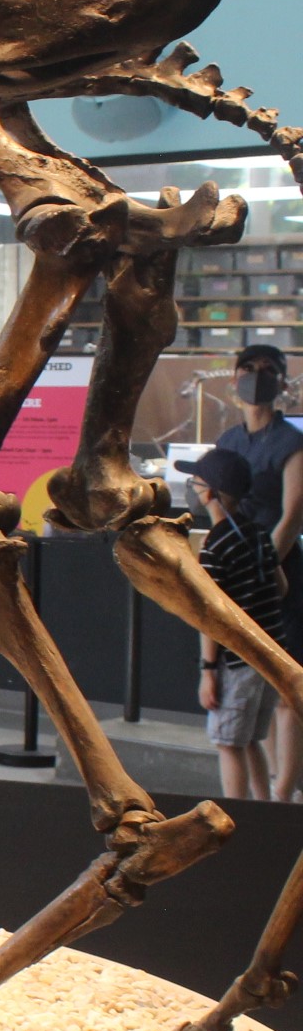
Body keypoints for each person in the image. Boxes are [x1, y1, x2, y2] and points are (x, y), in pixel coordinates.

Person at [215, 343, 303, 799]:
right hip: (239, 573)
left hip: (280, 572)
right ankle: (263, 791)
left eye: (268, 369)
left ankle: (284, 793)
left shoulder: (292, 442)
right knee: (254, 683)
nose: (256, 375)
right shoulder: (230, 441)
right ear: (234, 378)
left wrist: (263, 565)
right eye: (248, 368)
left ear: (282, 382)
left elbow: (293, 514)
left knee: (286, 689)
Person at [182, 447, 287, 800]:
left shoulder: (214, 546)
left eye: (197, 482)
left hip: (237, 662)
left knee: (228, 743)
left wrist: (208, 671)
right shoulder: (258, 532)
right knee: (251, 739)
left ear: (210, 493)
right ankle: (265, 810)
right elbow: (281, 587)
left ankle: (238, 815)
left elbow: (210, 617)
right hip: (270, 655)